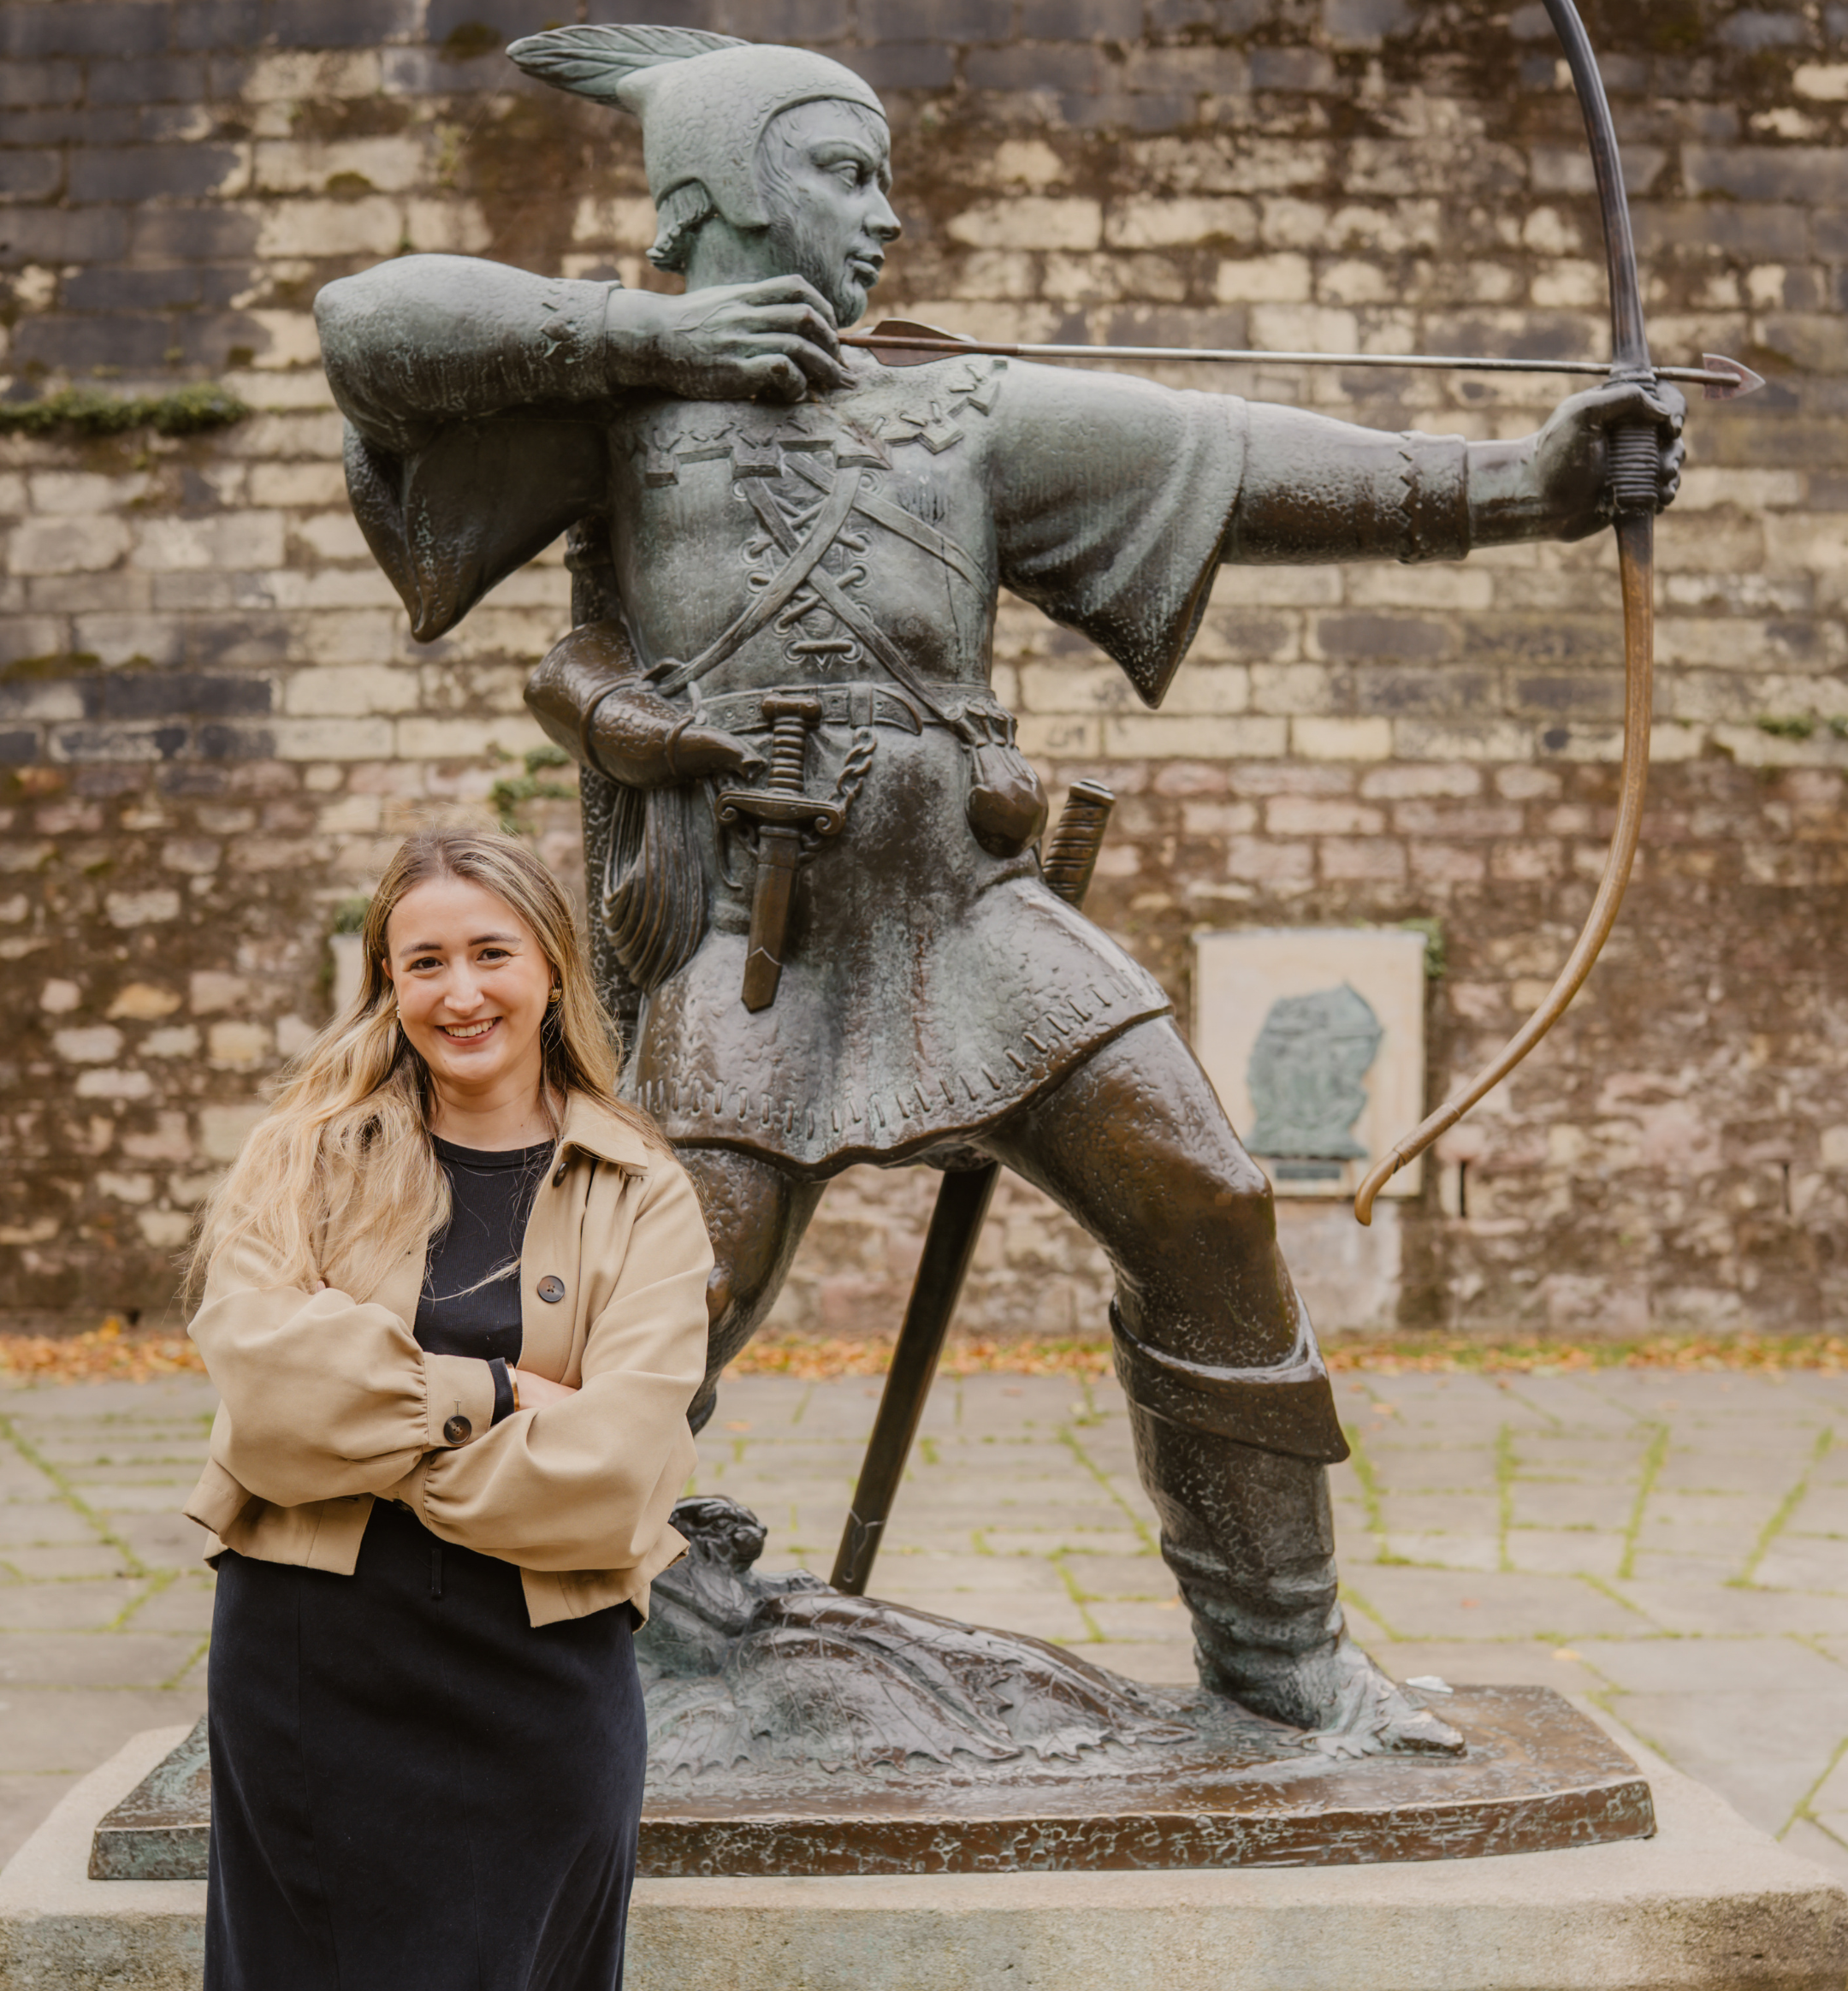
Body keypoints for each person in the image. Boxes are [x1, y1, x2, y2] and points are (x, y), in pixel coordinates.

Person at [313, 25, 1685, 1756]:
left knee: (1204, 1205)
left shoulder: (961, 407)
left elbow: (1245, 461)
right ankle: (494, 1646)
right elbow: (366, 329)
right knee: (645, 1307)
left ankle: (1279, 1664)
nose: (885, 216)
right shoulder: (615, 404)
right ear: (721, 189)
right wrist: (660, 337)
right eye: (842, 172)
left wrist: (1531, 487)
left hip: (971, 917)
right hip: (753, 941)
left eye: (886, 178)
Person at [135, 826, 713, 1991]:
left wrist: (385, 1428)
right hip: (321, 1673)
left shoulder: (639, 1188)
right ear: (387, 984)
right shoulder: (307, 1157)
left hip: (542, 1687)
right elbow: (266, 1395)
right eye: (422, 961)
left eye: (489, 954)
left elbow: (617, 1474)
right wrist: (493, 1397)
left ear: (547, 969)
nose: (459, 991)